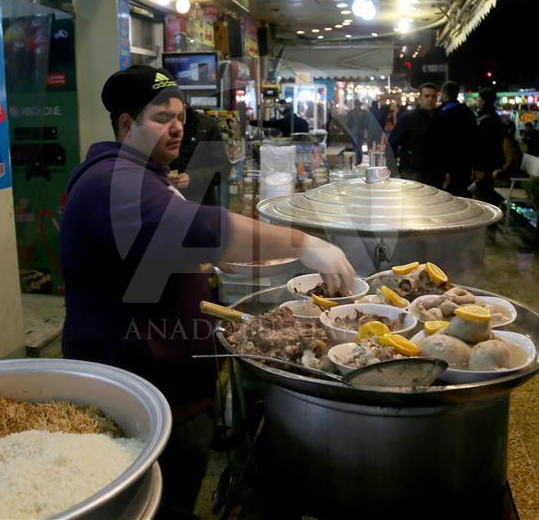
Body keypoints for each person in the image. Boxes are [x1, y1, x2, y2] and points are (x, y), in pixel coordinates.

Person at [60, 65, 355, 517]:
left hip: (171, 384)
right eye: (161, 117)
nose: (177, 127)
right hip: (141, 394)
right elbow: (197, 227)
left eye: (180, 116)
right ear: (126, 124)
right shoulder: (111, 181)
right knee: (156, 503)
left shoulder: (148, 174)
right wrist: (307, 245)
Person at [169, 104, 230, 207]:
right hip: (165, 202)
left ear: (184, 106)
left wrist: (192, 178)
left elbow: (223, 168)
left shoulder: (207, 126)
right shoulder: (159, 125)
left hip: (201, 203)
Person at [387, 82, 443, 187]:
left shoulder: (442, 120)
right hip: (411, 173)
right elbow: (391, 144)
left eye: (433, 96)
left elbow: (447, 146)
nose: (430, 99)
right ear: (420, 98)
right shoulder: (407, 119)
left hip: (435, 174)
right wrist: (393, 170)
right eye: (427, 96)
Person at [437, 80, 477, 197]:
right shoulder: (468, 113)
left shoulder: (442, 114)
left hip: (446, 164)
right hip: (465, 163)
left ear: (444, 94)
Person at [472, 87, 505, 204]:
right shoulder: (493, 117)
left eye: (478, 100)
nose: (477, 102)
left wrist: (479, 168)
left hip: (485, 167)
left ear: (484, 101)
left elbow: (483, 147)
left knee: (483, 197)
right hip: (489, 165)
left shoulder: (487, 120)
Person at [347, 99, 367, 164]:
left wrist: (351, 128)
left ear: (354, 104)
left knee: (355, 146)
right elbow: (365, 123)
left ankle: (355, 160)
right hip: (361, 131)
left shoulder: (350, 112)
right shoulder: (364, 112)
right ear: (359, 105)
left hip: (353, 131)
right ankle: (359, 160)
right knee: (360, 145)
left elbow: (348, 123)